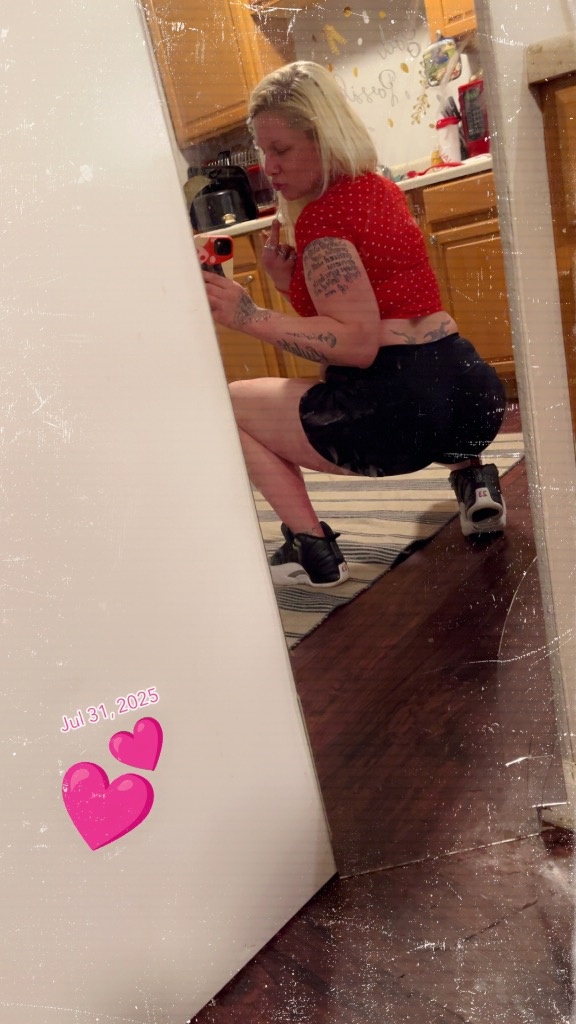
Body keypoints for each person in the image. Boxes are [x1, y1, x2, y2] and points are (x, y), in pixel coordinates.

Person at [202, 61, 506, 589]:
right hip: (473, 400)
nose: (268, 168)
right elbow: (376, 310)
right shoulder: (379, 188)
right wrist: (287, 283)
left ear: (324, 140)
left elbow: (358, 346)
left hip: (402, 420)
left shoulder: (323, 218)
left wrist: (250, 316)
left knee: (227, 405)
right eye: (263, 150)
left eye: (281, 150)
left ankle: (312, 548)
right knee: (425, 373)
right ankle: (476, 483)